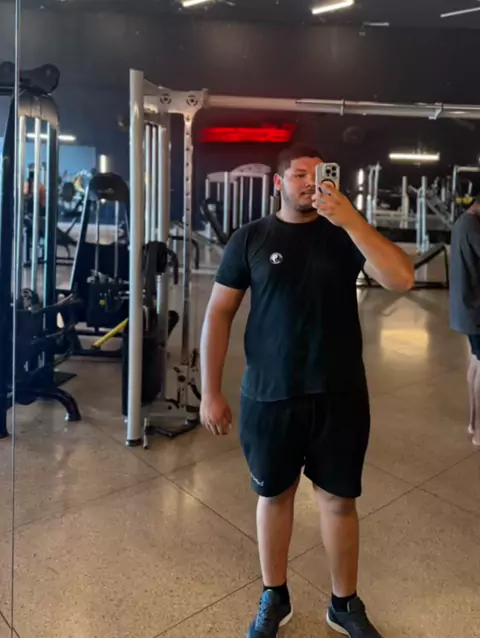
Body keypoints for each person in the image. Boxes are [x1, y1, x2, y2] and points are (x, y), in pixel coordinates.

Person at [200, 145, 414, 638]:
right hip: (269, 395)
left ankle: (344, 603)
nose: (309, 184)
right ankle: (274, 595)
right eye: (299, 175)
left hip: (339, 394)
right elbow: (219, 313)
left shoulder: (345, 235)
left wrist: (351, 219)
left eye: (319, 175)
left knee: (339, 501)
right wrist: (211, 391)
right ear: (279, 183)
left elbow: (402, 278)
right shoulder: (251, 238)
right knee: (274, 496)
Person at [450, 195, 480, 447]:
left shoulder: (463, 223)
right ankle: (479, 431)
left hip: (468, 308)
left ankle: (473, 422)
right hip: (475, 310)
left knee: (475, 364)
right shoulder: (472, 225)